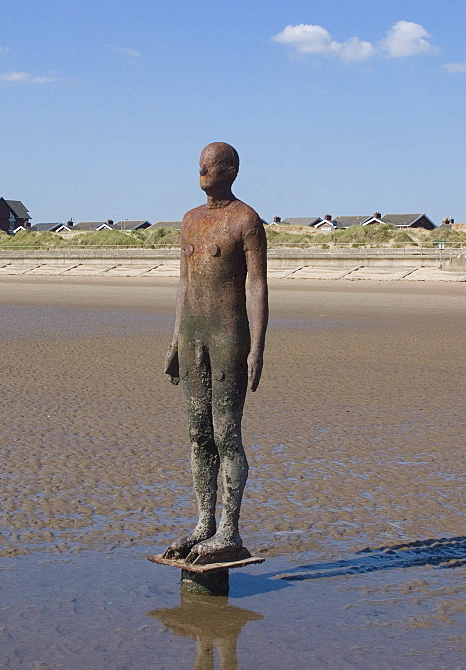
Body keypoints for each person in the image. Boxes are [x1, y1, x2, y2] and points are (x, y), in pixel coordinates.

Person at [162, 142, 268, 565]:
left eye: (213, 164)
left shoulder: (246, 220)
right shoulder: (189, 221)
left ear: (231, 170)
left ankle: (230, 529)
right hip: (193, 338)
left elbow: (257, 286)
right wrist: (174, 342)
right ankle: (204, 522)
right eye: (201, 163)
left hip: (228, 339)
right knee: (198, 435)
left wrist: (257, 348)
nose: (204, 169)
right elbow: (185, 284)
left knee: (226, 434)